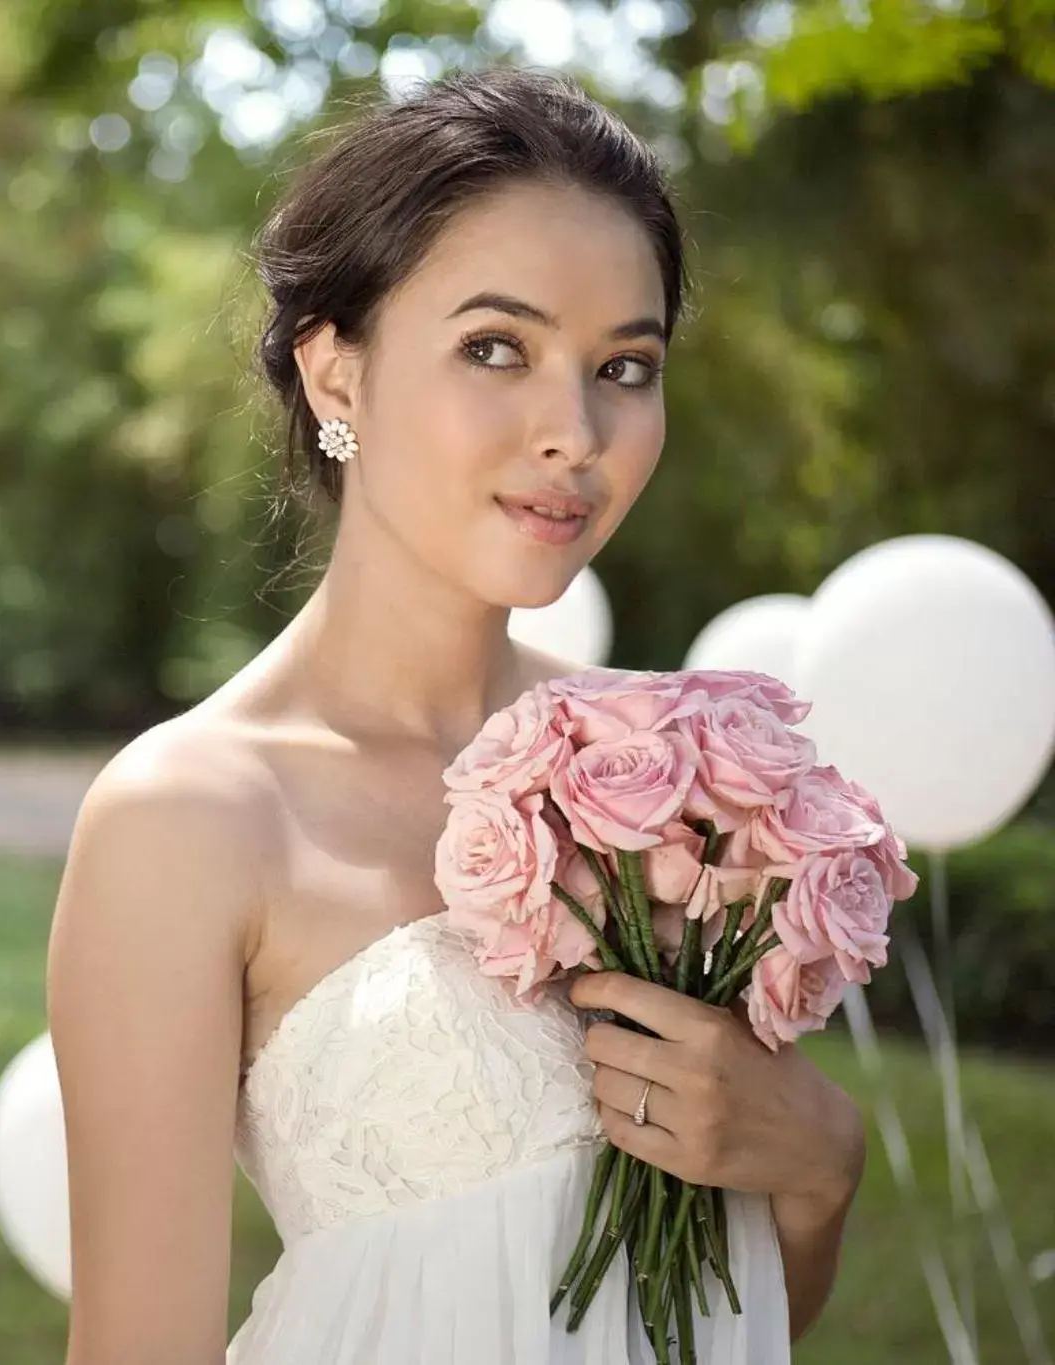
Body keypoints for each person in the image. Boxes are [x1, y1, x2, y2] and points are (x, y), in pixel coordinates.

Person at [46, 67, 868, 1364]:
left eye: (625, 366)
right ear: (337, 374)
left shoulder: (675, 773)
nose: (575, 431)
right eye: (499, 347)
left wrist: (820, 1168)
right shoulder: (190, 818)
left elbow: (715, 1306)